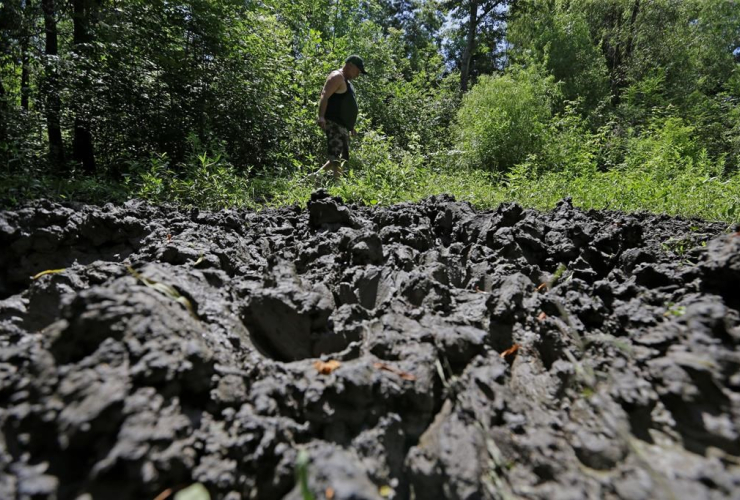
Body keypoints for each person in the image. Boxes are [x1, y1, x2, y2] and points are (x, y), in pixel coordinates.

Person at [315, 55, 367, 180]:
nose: (358, 75)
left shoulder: (347, 82)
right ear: (350, 66)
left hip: (342, 125)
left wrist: (351, 126)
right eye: (357, 71)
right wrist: (321, 116)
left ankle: (316, 177)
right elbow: (324, 95)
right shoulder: (337, 76)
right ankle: (337, 183)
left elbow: (346, 106)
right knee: (336, 155)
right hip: (333, 122)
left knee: (342, 155)